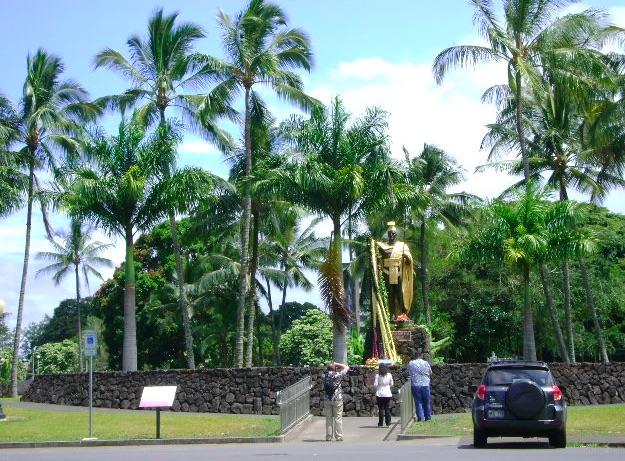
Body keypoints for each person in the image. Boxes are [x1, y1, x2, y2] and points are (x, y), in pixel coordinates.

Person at [375, 221, 414, 318]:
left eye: (393, 234)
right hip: (387, 273)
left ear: (396, 235)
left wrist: (407, 258)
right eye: (390, 234)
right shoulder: (382, 246)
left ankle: (402, 314)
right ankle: (390, 314)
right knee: (389, 295)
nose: (391, 235)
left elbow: (409, 260)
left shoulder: (402, 246)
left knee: (400, 294)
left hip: (398, 273)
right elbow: (377, 257)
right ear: (387, 235)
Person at [323, 361, 349, 441]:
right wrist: (337, 364)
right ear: (335, 368)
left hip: (328, 399)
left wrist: (332, 366)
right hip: (337, 398)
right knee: (338, 418)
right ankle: (339, 436)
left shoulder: (324, 376)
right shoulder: (338, 375)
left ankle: (328, 436)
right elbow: (346, 367)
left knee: (329, 418)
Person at [406, 351, 432, 421]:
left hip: (415, 384)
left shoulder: (411, 363)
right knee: (426, 402)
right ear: (421, 356)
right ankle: (428, 417)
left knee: (418, 402)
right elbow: (430, 372)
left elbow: (407, 372)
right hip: (425, 384)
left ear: (415, 356)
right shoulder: (426, 363)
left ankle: (420, 418)